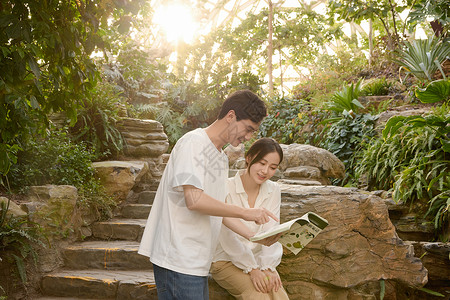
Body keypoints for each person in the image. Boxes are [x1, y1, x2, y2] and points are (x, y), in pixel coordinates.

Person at [138, 90, 279, 300]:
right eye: (248, 129)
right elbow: (194, 199)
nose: (249, 137)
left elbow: (218, 209)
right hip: (178, 257)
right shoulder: (193, 143)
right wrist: (245, 212)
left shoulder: (220, 157)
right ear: (230, 116)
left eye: (253, 132)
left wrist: (256, 237)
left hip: (197, 261)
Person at [210, 138, 289, 300]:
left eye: (272, 167)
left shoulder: (274, 190)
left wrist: (268, 267)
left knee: (278, 293)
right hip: (226, 259)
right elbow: (227, 237)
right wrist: (252, 269)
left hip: (259, 261)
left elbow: (271, 229)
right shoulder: (225, 187)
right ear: (248, 158)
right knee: (259, 295)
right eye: (261, 163)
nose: (265, 171)